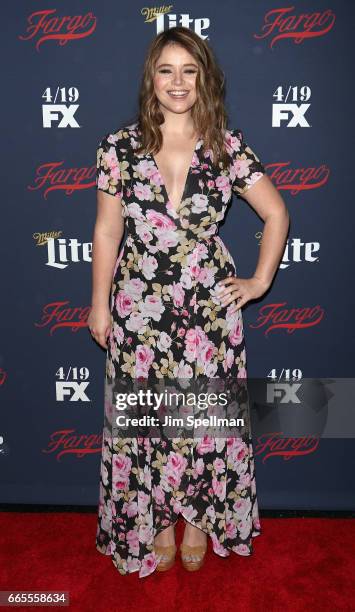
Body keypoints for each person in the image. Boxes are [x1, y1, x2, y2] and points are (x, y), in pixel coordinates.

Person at [88, 26, 289, 578]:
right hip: (137, 309)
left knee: (204, 422)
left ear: (204, 80)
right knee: (145, 421)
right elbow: (107, 232)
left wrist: (259, 282)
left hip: (208, 309)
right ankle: (152, 520)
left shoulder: (228, 146)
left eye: (189, 71)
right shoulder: (118, 148)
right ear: (151, 79)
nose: (178, 82)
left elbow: (276, 213)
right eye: (166, 70)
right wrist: (99, 304)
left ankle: (198, 519)